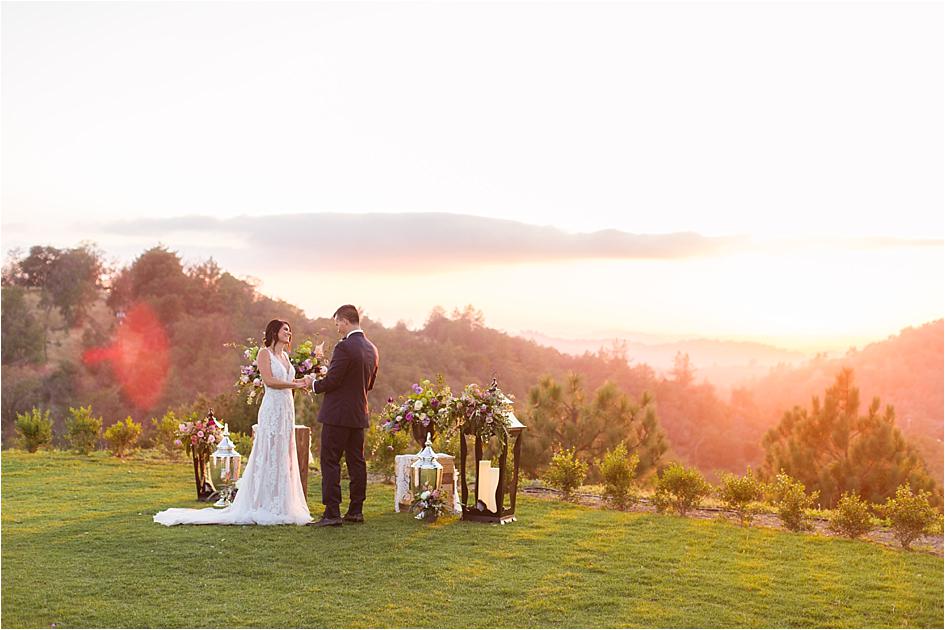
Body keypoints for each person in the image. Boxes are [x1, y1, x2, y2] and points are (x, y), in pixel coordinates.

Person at [154, 319, 312, 526]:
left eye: (290, 330)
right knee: (268, 451)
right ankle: (261, 503)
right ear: (274, 332)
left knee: (283, 452)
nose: (289, 333)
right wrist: (295, 384)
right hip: (272, 407)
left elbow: (288, 382)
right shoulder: (265, 353)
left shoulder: (285, 357)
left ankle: (281, 503)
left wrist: (301, 383)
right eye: (285, 330)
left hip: (286, 408)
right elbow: (269, 381)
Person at [305, 305, 379, 527]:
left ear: (346, 321)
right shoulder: (372, 349)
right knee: (357, 463)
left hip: (337, 415)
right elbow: (370, 384)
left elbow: (333, 381)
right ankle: (356, 511)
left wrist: (313, 384)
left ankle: (332, 513)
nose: (337, 327)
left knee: (330, 462)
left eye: (337, 323)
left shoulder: (344, 347)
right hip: (358, 415)